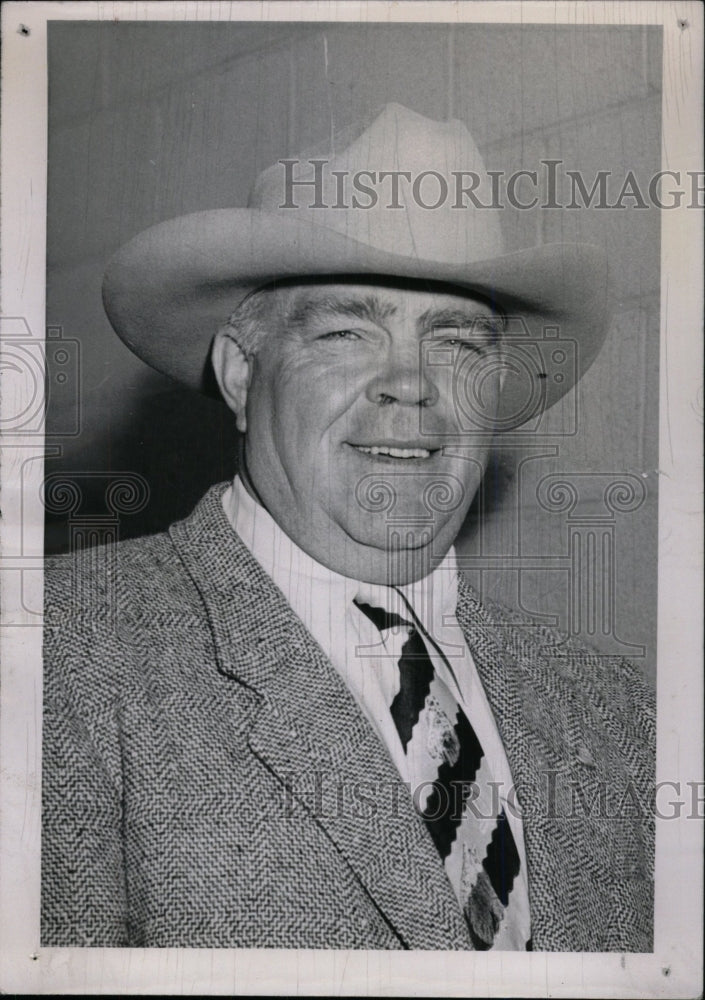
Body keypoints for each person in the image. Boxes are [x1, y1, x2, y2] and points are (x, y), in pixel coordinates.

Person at [41, 104, 654, 951]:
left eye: (456, 343)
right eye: (344, 332)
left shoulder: (617, 710)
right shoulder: (54, 656)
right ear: (239, 372)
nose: (410, 386)